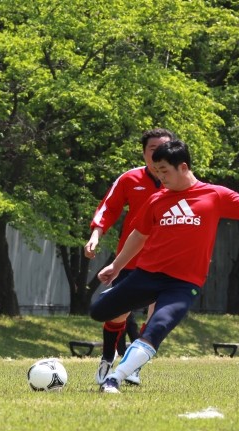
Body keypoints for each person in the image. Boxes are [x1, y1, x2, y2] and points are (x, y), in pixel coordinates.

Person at [90, 139, 239, 394]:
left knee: (157, 328)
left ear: (183, 167)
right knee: (99, 311)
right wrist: (117, 266)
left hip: (183, 284)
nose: (160, 176)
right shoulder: (156, 200)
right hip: (147, 275)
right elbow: (138, 235)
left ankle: (115, 378)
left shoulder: (214, 195)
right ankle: (110, 356)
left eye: (164, 170)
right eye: (156, 170)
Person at [84, 128, 175, 386]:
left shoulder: (182, 183)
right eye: (152, 149)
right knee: (118, 314)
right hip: (131, 258)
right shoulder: (129, 178)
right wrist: (96, 235)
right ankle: (107, 357)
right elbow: (108, 208)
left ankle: (132, 366)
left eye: (164, 148)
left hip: (167, 261)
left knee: (157, 317)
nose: (158, 154)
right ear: (144, 152)